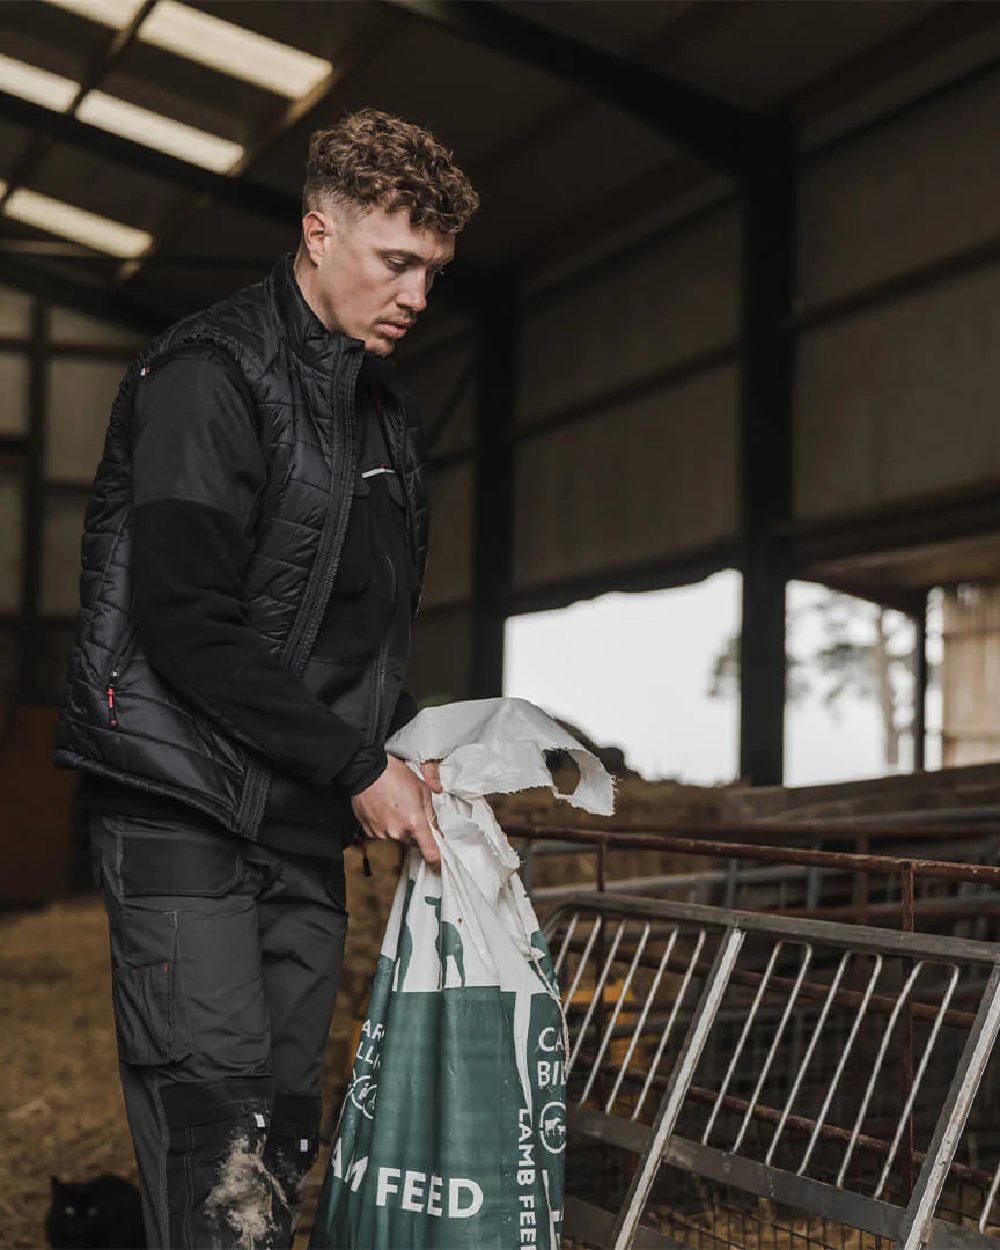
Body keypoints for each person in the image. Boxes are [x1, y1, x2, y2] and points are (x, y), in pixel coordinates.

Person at [54, 108, 479, 1249]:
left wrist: (406, 742)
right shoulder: (209, 371)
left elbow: (346, 634)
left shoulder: (381, 410)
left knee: (284, 1121)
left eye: (433, 271)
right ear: (317, 230)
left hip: (296, 810)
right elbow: (186, 619)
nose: (417, 296)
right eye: (397, 262)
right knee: (217, 1124)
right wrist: (356, 760)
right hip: (183, 798)